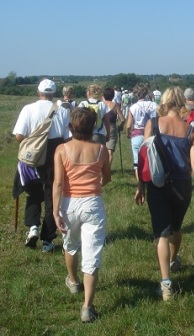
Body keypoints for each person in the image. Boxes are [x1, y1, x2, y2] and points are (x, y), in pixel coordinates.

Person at [134, 87, 194, 301]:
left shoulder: (153, 124)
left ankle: (166, 284)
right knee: (175, 228)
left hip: (157, 184)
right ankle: (173, 260)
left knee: (162, 233)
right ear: (182, 103)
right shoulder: (190, 130)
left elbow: (143, 156)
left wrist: (140, 185)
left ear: (165, 102)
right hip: (182, 186)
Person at [53, 107, 111, 322]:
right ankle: (87, 306)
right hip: (92, 202)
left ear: (71, 125)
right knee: (92, 254)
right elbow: (106, 178)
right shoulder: (101, 149)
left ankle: (73, 280)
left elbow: (58, 182)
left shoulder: (61, 149)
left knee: (70, 244)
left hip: (69, 203)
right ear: (93, 126)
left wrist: (54, 211)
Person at [12, 79, 71, 252]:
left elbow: (19, 136)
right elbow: (67, 137)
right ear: (53, 94)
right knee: (52, 196)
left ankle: (33, 227)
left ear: (38, 92)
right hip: (54, 154)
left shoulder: (28, 109)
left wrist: (33, 143)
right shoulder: (61, 110)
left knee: (33, 193)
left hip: (32, 156)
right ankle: (48, 239)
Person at [126, 83, 157, 181]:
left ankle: (140, 184)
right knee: (152, 158)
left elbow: (129, 125)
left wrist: (128, 133)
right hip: (152, 133)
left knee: (137, 161)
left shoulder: (133, 107)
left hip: (137, 134)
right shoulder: (153, 105)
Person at [103, 87, 125, 167]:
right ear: (113, 96)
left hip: (101, 127)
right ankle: (107, 170)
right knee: (110, 151)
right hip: (112, 127)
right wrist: (121, 127)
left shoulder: (100, 104)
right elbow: (122, 119)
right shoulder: (115, 106)